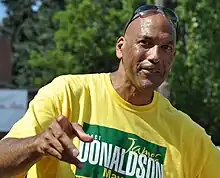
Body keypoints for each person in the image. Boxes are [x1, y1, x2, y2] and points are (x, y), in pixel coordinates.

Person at [0, 4, 220, 178]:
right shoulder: (67, 94)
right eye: (145, 43)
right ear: (120, 47)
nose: (155, 56)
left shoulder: (189, 137)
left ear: (172, 58)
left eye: (166, 48)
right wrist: (38, 145)